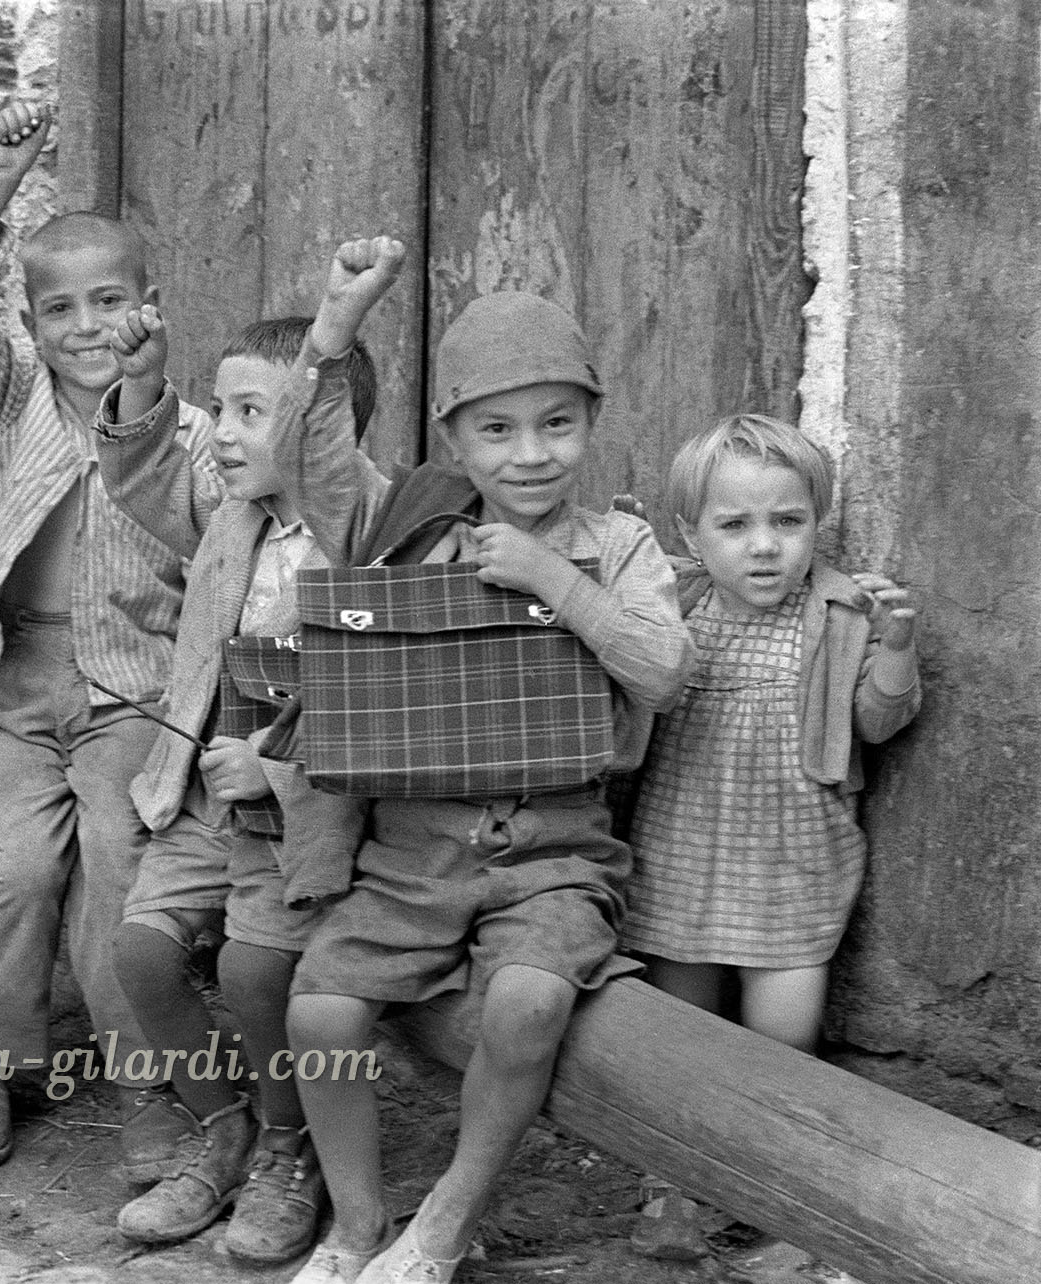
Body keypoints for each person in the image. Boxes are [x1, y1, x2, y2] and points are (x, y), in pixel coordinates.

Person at [276, 244, 695, 1284]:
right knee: (320, 1009)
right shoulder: (413, 526)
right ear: (454, 440)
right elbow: (311, 463)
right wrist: (334, 329)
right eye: (496, 430)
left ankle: (444, 1226)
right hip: (411, 855)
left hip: (555, 851)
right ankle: (357, 1226)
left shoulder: (619, 546)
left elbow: (661, 674)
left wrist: (555, 577)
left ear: (592, 422)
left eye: (558, 423)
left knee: (529, 1004)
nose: (531, 454)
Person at [0, 100, 214, 1180]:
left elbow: (211, 551)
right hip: (19, 684)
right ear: (32, 327)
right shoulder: (16, 399)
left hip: (132, 689)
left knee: (117, 864)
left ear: (151, 306)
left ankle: (146, 1083)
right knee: (21, 869)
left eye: (109, 302)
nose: (87, 328)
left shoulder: (190, 432)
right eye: (60, 310)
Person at [92, 311, 400, 1264]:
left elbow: (374, 692)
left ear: (318, 421)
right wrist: (145, 386)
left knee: (253, 972)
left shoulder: (367, 524)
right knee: (141, 952)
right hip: (207, 790)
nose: (221, 433)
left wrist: (273, 758)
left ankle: (286, 1142)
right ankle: (221, 1125)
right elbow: (146, 477)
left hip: (299, 803)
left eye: (250, 412)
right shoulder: (233, 515)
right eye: (218, 409)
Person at [625, 416, 920, 1047]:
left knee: (785, 1039)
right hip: (680, 857)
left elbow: (876, 724)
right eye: (734, 525)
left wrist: (896, 648)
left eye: (788, 521)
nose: (764, 545)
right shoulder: (673, 606)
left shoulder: (839, 614)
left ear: (817, 522)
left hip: (794, 865)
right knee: (682, 1036)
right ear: (690, 534)